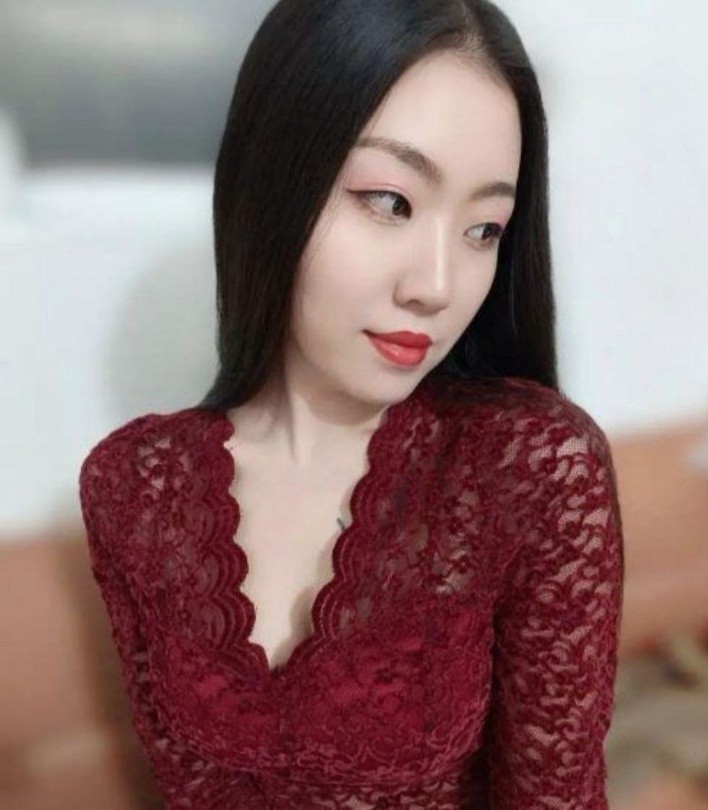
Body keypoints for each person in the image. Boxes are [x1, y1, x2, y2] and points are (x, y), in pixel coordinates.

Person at [78, 1, 625, 807]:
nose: (436, 286)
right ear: (271, 183)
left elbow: (555, 797)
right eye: (391, 201)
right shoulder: (135, 485)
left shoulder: (528, 467)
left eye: (484, 229)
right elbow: (186, 787)